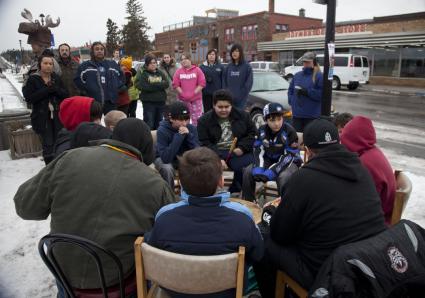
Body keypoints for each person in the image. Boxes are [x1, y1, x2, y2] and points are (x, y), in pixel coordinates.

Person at [14, 118, 176, 294]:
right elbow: (173, 235)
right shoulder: (154, 183)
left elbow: (25, 206)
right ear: (146, 149)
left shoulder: (70, 158)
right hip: (118, 279)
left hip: (64, 271)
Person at [254, 118, 387, 298]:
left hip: (327, 273)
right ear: (338, 142)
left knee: (263, 239)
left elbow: (280, 235)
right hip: (368, 263)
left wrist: (271, 214)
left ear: (307, 151)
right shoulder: (362, 170)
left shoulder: (303, 179)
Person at [147, 147, 264, 298]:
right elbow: (258, 255)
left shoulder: (164, 217)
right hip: (227, 292)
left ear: (180, 183)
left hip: (175, 292)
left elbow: (154, 254)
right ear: (221, 181)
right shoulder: (243, 217)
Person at [197, 89, 256, 194]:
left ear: (231, 105)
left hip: (237, 150)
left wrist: (242, 147)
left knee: (243, 167)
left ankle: (239, 191)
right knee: (207, 167)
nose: (223, 110)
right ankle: (208, 193)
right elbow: (204, 142)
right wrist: (217, 157)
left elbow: (252, 134)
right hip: (215, 150)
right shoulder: (204, 120)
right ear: (214, 105)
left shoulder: (243, 116)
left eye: (226, 107)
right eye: (220, 107)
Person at [340, 115, 396, 225]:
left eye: (345, 140)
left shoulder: (365, 164)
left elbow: (363, 205)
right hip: (382, 213)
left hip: (375, 223)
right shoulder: (372, 152)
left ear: (353, 140)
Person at [242, 103, 301, 202]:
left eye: (279, 119)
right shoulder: (261, 131)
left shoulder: (290, 132)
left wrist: (271, 172)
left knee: (283, 177)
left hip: (290, 161)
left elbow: (289, 156)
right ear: (266, 120)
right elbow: (258, 150)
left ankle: (284, 205)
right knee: (248, 172)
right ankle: (250, 202)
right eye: (272, 120)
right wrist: (259, 169)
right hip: (269, 158)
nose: (276, 123)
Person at [22, 52, 68, 165]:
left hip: (57, 116)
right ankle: (49, 168)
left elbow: (66, 95)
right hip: (42, 117)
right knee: (48, 144)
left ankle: (59, 165)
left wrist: (55, 89)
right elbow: (29, 98)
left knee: (59, 141)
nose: (48, 65)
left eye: (50, 63)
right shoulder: (33, 79)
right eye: (45, 63)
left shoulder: (56, 78)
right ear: (40, 64)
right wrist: (46, 90)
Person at [154, 102, 199, 189]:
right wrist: (179, 136)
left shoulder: (191, 128)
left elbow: (198, 151)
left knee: (197, 165)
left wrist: (189, 136)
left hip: (182, 158)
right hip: (163, 157)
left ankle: (191, 194)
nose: (184, 123)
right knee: (167, 169)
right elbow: (166, 158)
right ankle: (169, 194)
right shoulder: (162, 130)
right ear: (171, 119)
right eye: (181, 120)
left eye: (187, 119)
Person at [74, 42, 124, 115]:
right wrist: (85, 92)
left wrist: (117, 88)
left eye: (101, 49)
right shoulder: (85, 66)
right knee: (94, 124)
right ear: (92, 52)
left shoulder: (112, 64)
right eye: (97, 49)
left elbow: (121, 77)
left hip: (111, 102)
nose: (100, 51)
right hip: (93, 102)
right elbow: (78, 81)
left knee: (112, 124)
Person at [288, 51, 323, 132]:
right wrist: (291, 101)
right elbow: (290, 90)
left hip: (311, 116)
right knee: (297, 140)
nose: (306, 64)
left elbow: (321, 95)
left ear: (314, 62)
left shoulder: (319, 76)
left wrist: (306, 92)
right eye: (304, 62)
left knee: (309, 141)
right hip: (297, 115)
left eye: (308, 62)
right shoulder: (297, 75)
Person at [135, 55, 169, 130]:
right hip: (149, 103)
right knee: (149, 123)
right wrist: (159, 85)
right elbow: (143, 86)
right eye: (151, 63)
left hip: (160, 102)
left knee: (159, 123)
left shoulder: (160, 73)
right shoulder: (144, 73)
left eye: (155, 63)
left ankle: (158, 139)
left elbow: (166, 83)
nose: (153, 64)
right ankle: (149, 140)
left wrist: (152, 85)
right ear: (147, 64)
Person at [172, 53, 206, 125]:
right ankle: (184, 134)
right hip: (183, 100)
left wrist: (193, 93)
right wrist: (183, 94)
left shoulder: (197, 70)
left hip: (196, 100)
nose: (183, 61)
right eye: (182, 59)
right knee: (183, 119)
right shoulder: (178, 71)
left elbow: (202, 83)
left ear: (190, 59)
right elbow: (175, 84)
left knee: (197, 120)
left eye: (185, 59)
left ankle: (196, 134)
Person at [222, 44, 253, 109]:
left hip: (242, 100)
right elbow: (224, 82)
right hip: (229, 99)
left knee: (239, 117)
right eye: (233, 52)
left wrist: (241, 95)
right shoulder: (228, 66)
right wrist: (227, 93)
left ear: (240, 53)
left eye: (236, 51)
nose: (234, 53)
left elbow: (248, 84)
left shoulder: (247, 67)